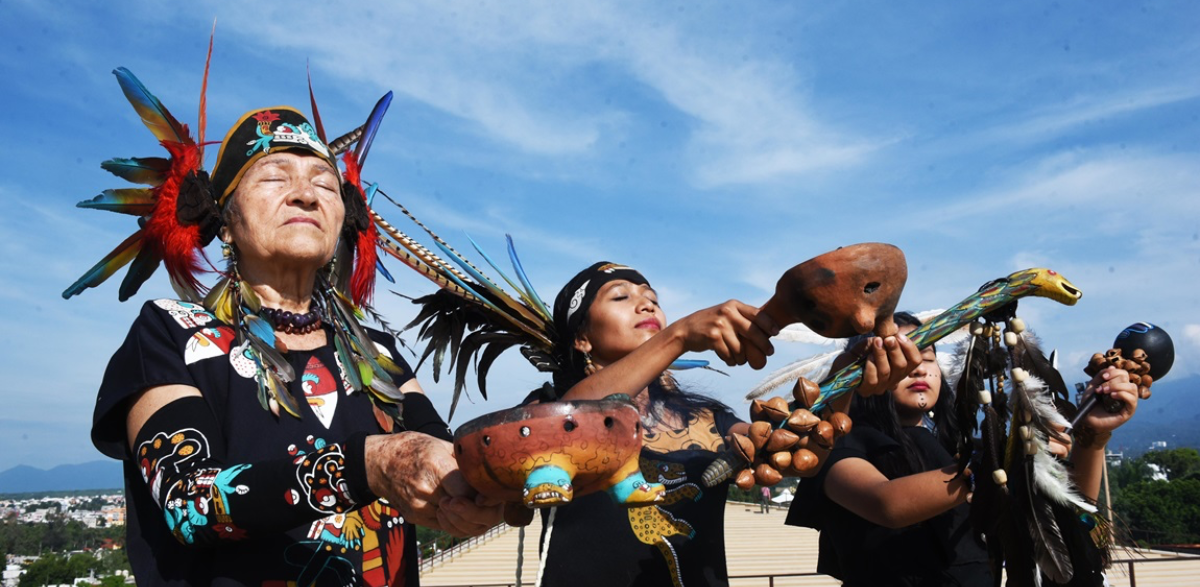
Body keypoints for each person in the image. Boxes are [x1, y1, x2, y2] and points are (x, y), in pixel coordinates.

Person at [75, 90, 501, 586]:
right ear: (226, 221)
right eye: (275, 177)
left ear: (345, 217)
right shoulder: (170, 332)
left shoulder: (377, 350)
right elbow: (190, 502)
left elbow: (439, 458)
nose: (306, 194)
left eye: (325, 183)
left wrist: (484, 485)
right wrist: (371, 465)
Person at [526, 262, 921, 587]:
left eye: (653, 299)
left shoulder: (706, 417)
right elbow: (574, 417)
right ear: (581, 338)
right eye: (621, 297)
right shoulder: (547, 407)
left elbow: (794, 449)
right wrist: (679, 336)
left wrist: (844, 377)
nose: (646, 306)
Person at [787, 312, 1139, 587]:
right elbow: (886, 503)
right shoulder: (836, 442)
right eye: (902, 356)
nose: (918, 366)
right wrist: (998, 460)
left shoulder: (961, 449)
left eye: (928, 356)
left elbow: (1067, 512)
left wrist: (1092, 438)